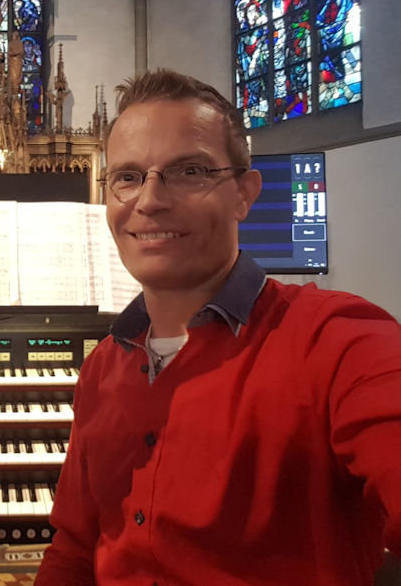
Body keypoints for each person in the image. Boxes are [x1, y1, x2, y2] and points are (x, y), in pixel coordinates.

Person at [35, 69, 401, 585]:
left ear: (244, 194)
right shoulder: (102, 368)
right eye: (128, 177)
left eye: (189, 171)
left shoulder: (341, 341)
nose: (150, 200)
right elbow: (75, 549)